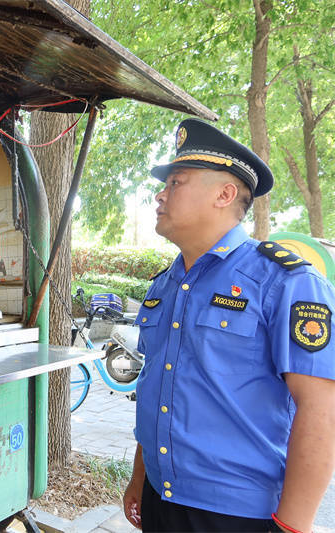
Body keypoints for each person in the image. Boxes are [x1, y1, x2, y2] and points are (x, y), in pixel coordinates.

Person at [122, 118, 335, 532]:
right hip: (161, 496)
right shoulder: (165, 285)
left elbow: (320, 407)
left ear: (225, 194)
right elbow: (157, 387)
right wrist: (139, 478)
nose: (160, 195)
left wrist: (292, 525)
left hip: (236, 514)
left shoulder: (285, 282)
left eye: (176, 183)